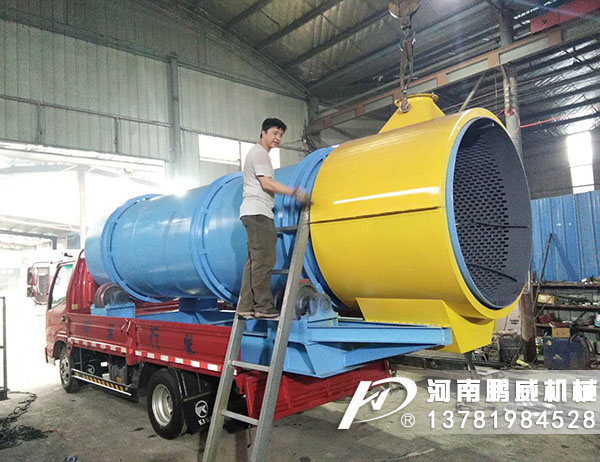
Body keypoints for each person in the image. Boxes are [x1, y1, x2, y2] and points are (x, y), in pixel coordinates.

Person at [236, 118, 310, 319]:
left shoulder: (257, 153)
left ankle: (245, 306)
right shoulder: (260, 153)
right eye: (275, 133)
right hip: (258, 213)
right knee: (264, 260)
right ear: (263, 133)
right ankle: (263, 306)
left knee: (254, 262)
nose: (278, 138)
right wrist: (295, 192)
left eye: (281, 135)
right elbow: (267, 184)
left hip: (252, 212)